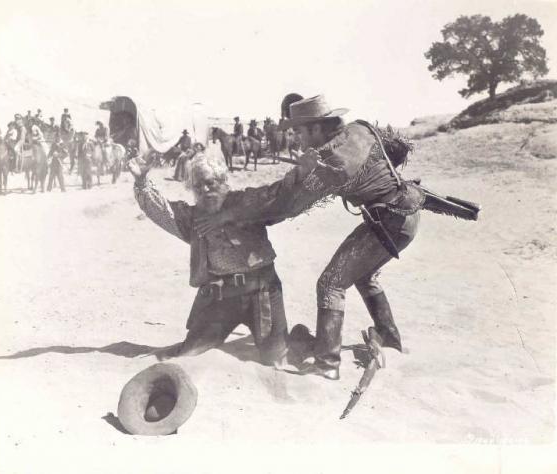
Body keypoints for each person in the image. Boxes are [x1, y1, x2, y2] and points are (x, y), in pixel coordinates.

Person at [204, 95, 423, 380]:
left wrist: (234, 213)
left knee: (331, 283)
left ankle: (327, 364)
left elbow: (287, 205)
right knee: (363, 276)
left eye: (300, 131)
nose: (297, 138)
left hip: (389, 223)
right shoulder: (359, 129)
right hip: (406, 211)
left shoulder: (331, 161)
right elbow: (396, 149)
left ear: (317, 128)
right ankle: (389, 337)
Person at [129, 148, 318, 366]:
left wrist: (302, 173)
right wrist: (141, 181)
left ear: (222, 181)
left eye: (210, 183)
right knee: (190, 355)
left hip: (262, 293)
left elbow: (277, 197)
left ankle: (298, 336)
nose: (205, 189)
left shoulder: (246, 201)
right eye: (198, 186)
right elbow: (163, 212)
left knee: (275, 359)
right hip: (220, 298)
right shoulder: (193, 217)